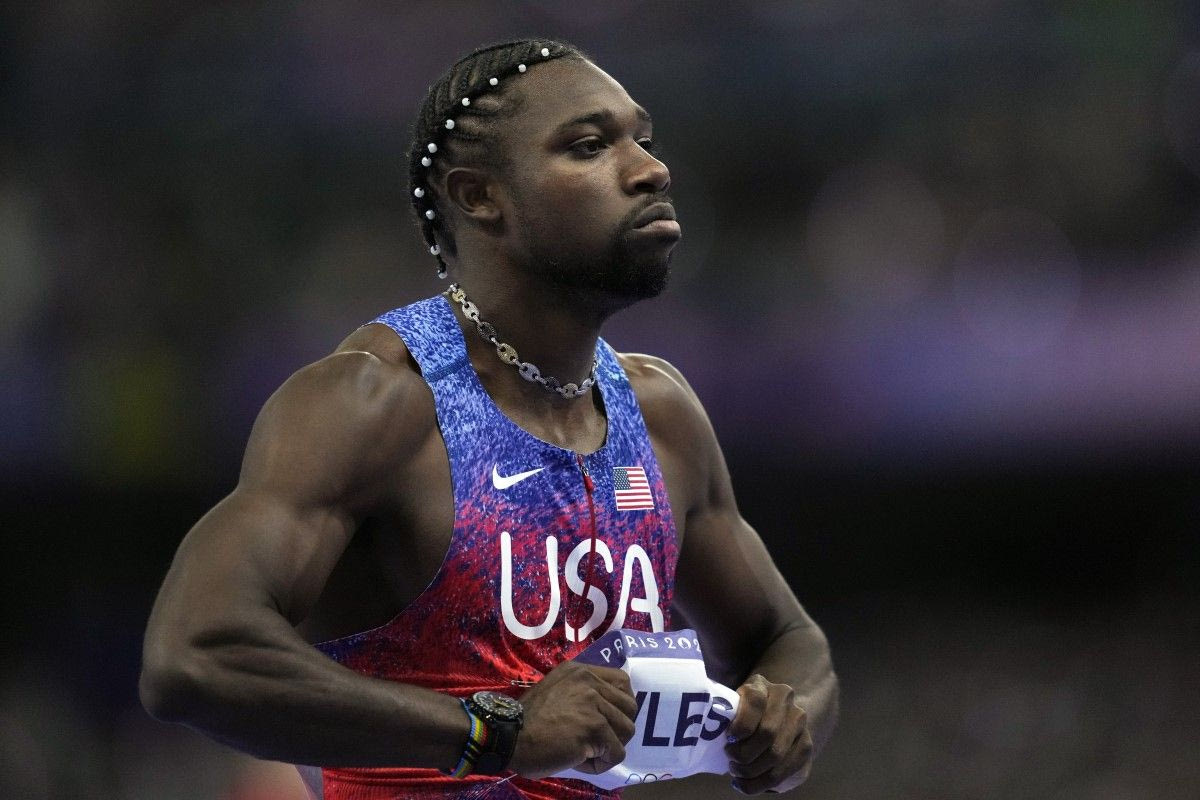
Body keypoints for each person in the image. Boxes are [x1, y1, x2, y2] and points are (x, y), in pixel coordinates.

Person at [140, 38, 838, 799]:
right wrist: (497, 733)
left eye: (644, 140)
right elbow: (194, 657)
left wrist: (785, 715)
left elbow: (787, 639)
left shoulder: (661, 413)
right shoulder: (375, 403)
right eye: (589, 145)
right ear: (479, 196)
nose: (650, 169)